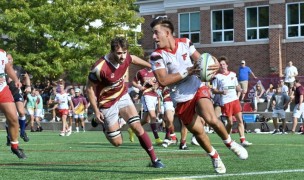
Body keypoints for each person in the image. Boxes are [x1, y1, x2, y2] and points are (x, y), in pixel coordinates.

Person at [149, 16, 247, 174]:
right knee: (198, 132)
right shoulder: (156, 56)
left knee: (210, 118)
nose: (153, 37)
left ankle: (231, 144)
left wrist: (212, 67)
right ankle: (215, 156)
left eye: (156, 33)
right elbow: (163, 80)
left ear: (167, 33)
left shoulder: (186, 43)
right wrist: (187, 71)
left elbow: (201, 61)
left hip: (197, 88)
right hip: (180, 98)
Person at [86, 37, 165, 168]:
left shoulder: (126, 56)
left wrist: (151, 66)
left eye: (124, 52)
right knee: (117, 142)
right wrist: (96, 110)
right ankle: (101, 123)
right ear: (112, 52)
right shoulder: (99, 68)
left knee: (137, 127)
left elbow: (132, 58)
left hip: (122, 96)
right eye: (119, 53)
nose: (123, 56)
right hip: (106, 103)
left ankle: (155, 160)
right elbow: (89, 88)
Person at [212, 56, 252, 147]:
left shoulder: (233, 74)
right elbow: (213, 90)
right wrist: (221, 92)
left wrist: (241, 90)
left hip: (234, 100)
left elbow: (236, 85)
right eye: (221, 64)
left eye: (224, 64)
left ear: (227, 65)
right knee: (230, 122)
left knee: (240, 120)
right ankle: (226, 137)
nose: (222, 66)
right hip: (226, 101)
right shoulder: (217, 77)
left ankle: (243, 140)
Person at [0, 49, 26, 159]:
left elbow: (8, 68)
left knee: (14, 118)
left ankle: (14, 146)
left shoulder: (2, 52)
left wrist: (16, 79)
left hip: (2, 89)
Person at [131, 67, 163, 145]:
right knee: (153, 116)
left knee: (146, 120)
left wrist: (156, 85)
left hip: (155, 95)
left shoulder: (156, 71)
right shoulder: (141, 72)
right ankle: (157, 138)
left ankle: (132, 129)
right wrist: (139, 87)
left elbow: (160, 81)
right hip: (146, 95)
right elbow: (133, 82)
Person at [5, 53, 31, 145]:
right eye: (7, 59)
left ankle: (23, 132)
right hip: (6, 94)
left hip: (16, 92)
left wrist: (28, 86)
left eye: (10, 59)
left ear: (13, 60)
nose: (9, 61)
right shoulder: (2, 69)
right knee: (10, 117)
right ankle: (9, 136)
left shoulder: (18, 68)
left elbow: (26, 76)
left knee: (22, 112)